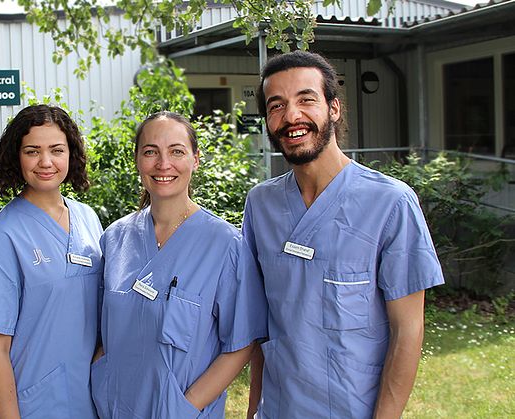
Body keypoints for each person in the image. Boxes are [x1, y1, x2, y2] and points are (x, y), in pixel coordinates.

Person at [244, 50, 445, 418]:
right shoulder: (261, 205)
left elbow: (408, 332)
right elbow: (262, 329)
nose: (292, 117)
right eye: (277, 106)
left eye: (306, 100)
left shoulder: (391, 204)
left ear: (333, 108)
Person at [92, 111, 267, 418]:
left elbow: (241, 343)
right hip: (114, 408)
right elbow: (103, 331)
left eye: (176, 151)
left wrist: (185, 407)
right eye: (150, 152)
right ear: (137, 160)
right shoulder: (115, 238)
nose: (163, 164)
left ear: (195, 159)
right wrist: (101, 376)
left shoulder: (225, 245)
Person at [0, 104, 102, 418]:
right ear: (17, 156)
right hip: (35, 403)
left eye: (56, 149)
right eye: (32, 151)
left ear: (71, 154)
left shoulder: (88, 218)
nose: (46, 162)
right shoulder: (4, 235)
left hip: (92, 397)